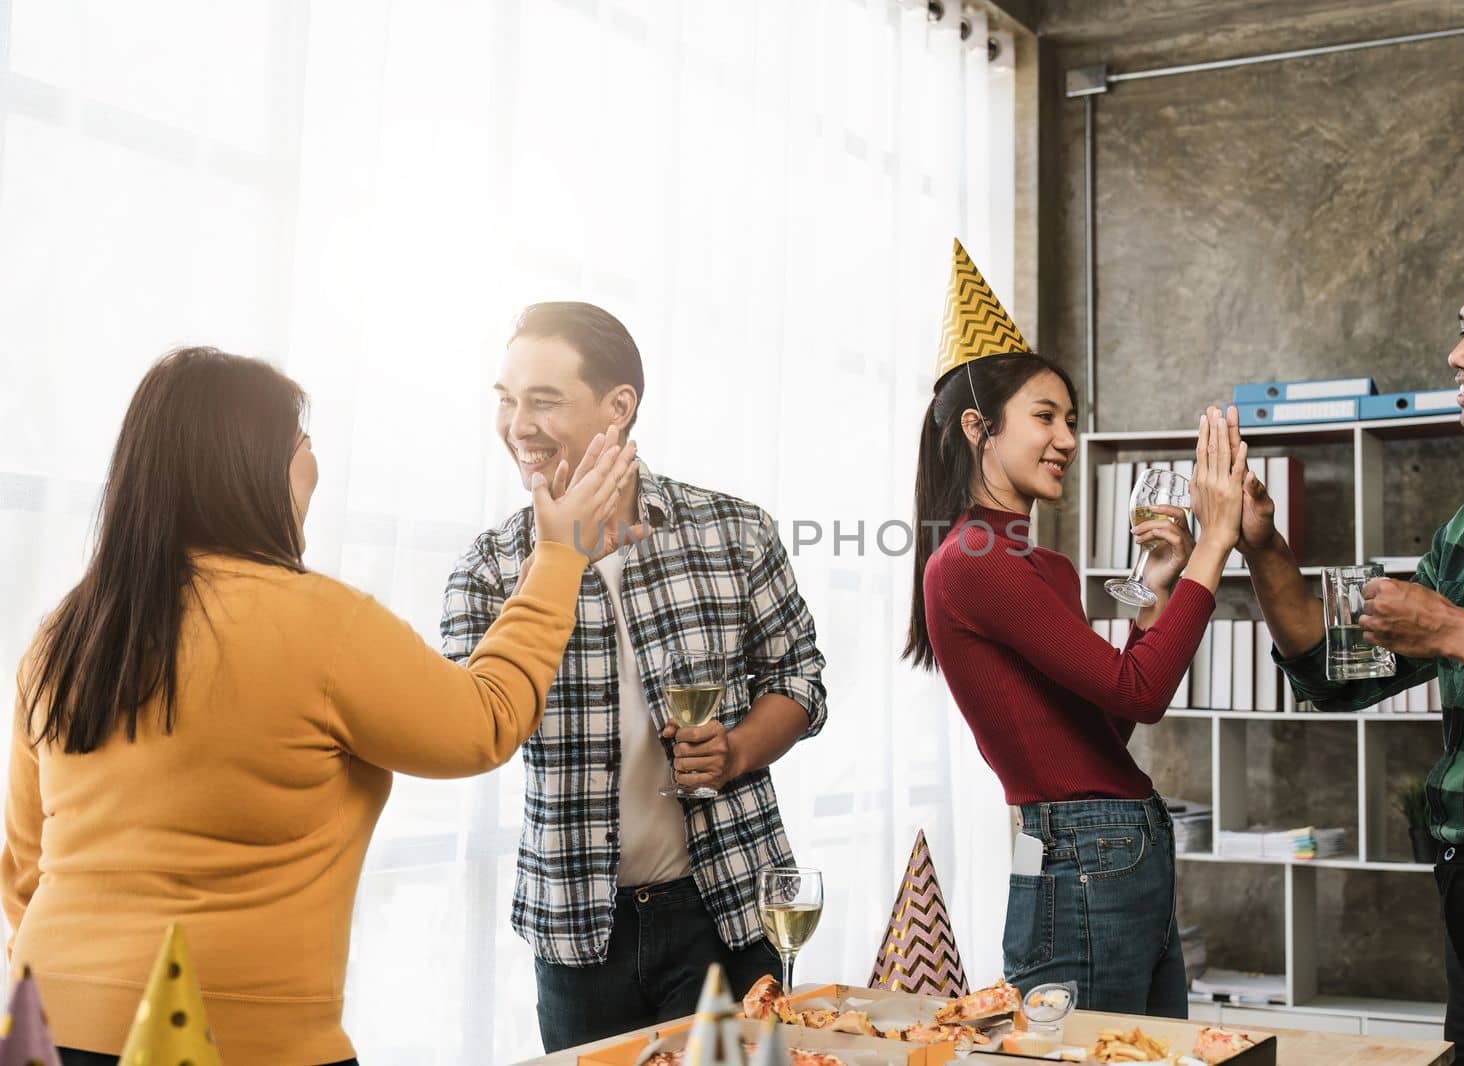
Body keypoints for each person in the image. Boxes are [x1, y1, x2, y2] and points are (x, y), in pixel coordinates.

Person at [2, 347, 636, 1066]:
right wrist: (558, 559)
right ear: (252, 467)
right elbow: (485, 722)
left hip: (43, 1023)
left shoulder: (65, 633)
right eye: (303, 445)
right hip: (233, 1042)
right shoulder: (319, 625)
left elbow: (26, 868)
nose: (314, 467)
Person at [1239, 229, 1464, 1066]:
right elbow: (1341, 678)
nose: (1457, 353)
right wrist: (1262, 548)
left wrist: (1454, 632)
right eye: (1462, 328)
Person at [439, 302, 827, 1051]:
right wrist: (554, 564)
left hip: (728, 912)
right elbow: (468, 728)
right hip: (579, 930)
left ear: (619, 408)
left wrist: (737, 750)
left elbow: (800, 679)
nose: (518, 424)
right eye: (506, 399)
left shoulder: (733, 530)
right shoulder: (487, 570)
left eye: (544, 400)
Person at [905, 240, 1246, 1016]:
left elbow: (1111, 725)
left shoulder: (1038, 565)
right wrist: (1215, 542)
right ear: (977, 427)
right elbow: (1147, 691)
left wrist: (1159, 593)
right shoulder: (973, 560)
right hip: (1087, 849)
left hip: (1121, 846)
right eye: (1045, 417)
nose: (1065, 438)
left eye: (1071, 419)